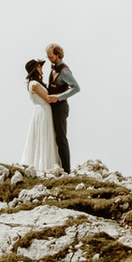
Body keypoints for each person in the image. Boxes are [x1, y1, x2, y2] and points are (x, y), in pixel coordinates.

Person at [43, 43, 81, 173]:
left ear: (58, 55)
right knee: (54, 136)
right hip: (53, 107)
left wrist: (58, 97)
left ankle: (66, 170)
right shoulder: (53, 69)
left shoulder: (64, 70)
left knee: (61, 138)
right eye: (48, 57)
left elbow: (76, 88)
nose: (49, 59)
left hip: (61, 107)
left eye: (51, 56)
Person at [21, 58, 63, 175]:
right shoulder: (34, 84)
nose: (41, 68)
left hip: (44, 111)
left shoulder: (36, 83)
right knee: (44, 135)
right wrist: (63, 94)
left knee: (46, 135)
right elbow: (47, 98)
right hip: (42, 111)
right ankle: (43, 166)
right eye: (39, 67)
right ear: (35, 69)